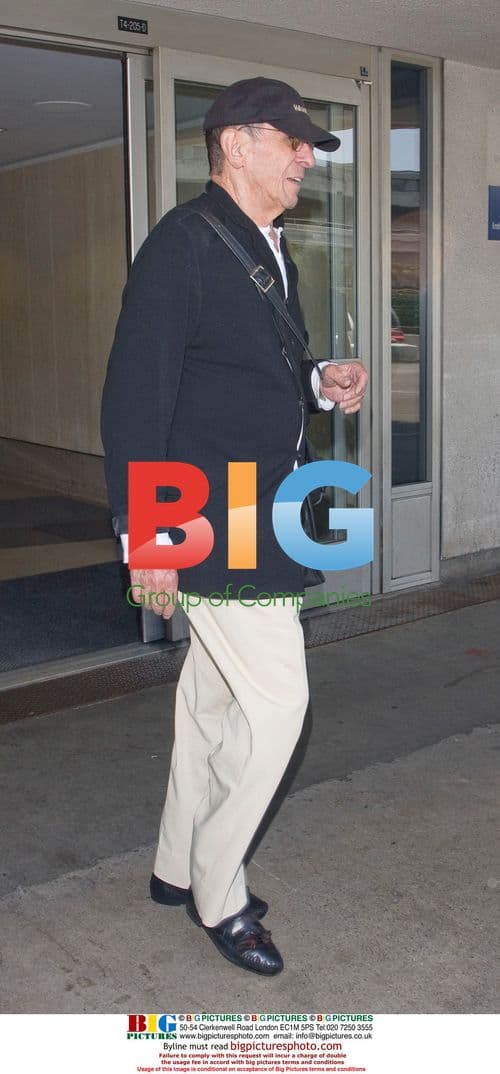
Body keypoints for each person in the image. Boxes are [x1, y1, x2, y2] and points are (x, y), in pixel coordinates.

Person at [101, 77, 368, 976]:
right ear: (237, 144)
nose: (306, 158)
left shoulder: (263, 244)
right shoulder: (182, 244)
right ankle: (219, 890)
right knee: (280, 707)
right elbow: (136, 402)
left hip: (263, 507)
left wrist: (318, 381)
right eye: (293, 141)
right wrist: (149, 542)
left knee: (212, 703)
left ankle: (176, 864)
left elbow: (239, 373)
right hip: (207, 519)